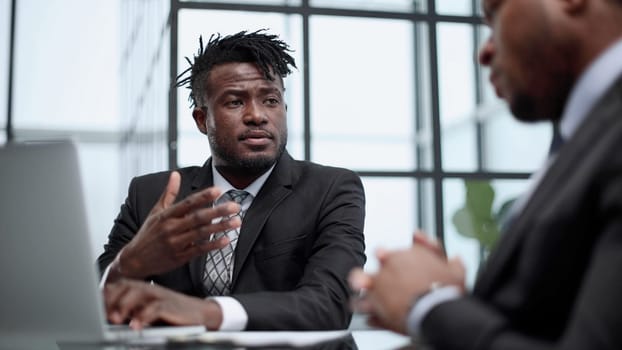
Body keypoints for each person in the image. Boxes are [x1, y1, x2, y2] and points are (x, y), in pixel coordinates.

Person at [349, 0, 622, 349]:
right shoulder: (583, 138)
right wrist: (465, 307)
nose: (484, 52)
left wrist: (429, 306)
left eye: (494, 16)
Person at [98, 30, 366, 331]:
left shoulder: (331, 189)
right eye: (235, 102)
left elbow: (330, 304)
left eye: (270, 100)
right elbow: (91, 307)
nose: (257, 115)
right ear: (202, 119)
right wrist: (129, 264)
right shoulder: (150, 194)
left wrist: (207, 312)